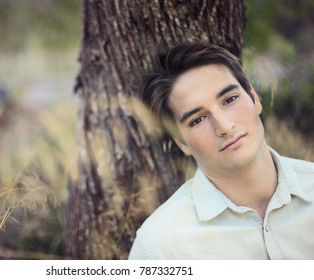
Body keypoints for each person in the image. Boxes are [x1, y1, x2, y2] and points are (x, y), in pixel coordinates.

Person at [128, 41, 314, 260]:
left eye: (230, 99)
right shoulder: (159, 246)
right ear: (181, 142)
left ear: (254, 98)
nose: (225, 127)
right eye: (198, 119)